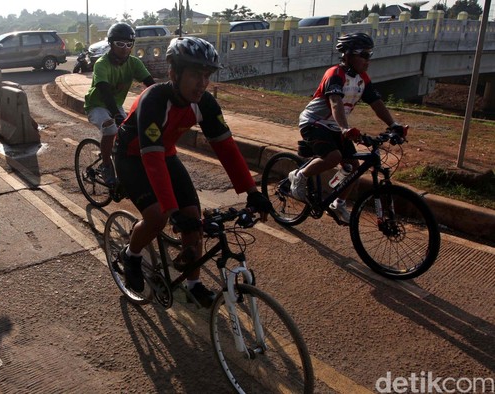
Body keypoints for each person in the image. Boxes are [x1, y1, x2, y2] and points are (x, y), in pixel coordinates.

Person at [113, 37, 271, 307]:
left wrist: (253, 192)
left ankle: (193, 284)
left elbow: (227, 149)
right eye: (196, 75)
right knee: (157, 216)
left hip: (165, 153)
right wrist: (171, 212)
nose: (203, 83)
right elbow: (151, 161)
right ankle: (132, 254)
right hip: (132, 156)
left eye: (207, 75)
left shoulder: (204, 103)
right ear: (174, 74)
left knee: (193, 219)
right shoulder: (154, 99)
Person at [289, 32, 405, 223]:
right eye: (364, 55)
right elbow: (335, 102)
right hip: (314, 122)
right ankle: (299, 176)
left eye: (370, 55)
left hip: (336, 127)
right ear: (347, 55)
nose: (368, 60)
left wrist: (394, 125)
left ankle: (337, 204)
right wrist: (344, 128)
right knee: (333, 157)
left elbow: (376, 103)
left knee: (353, 167)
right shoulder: (335, 74)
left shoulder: (362, 79)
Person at [83, 22, 155, 185]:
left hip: (116, 105)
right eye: (120, 44)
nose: (124, 48)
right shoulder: (102, 64)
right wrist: (115, 115)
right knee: (110, 129)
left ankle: (122, 163)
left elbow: (151, 84)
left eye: (129, 44)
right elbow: (104, 90)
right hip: (97, 105)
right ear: (111, 44)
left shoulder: (134, 63)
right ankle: (106, 165)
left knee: (129, 134)